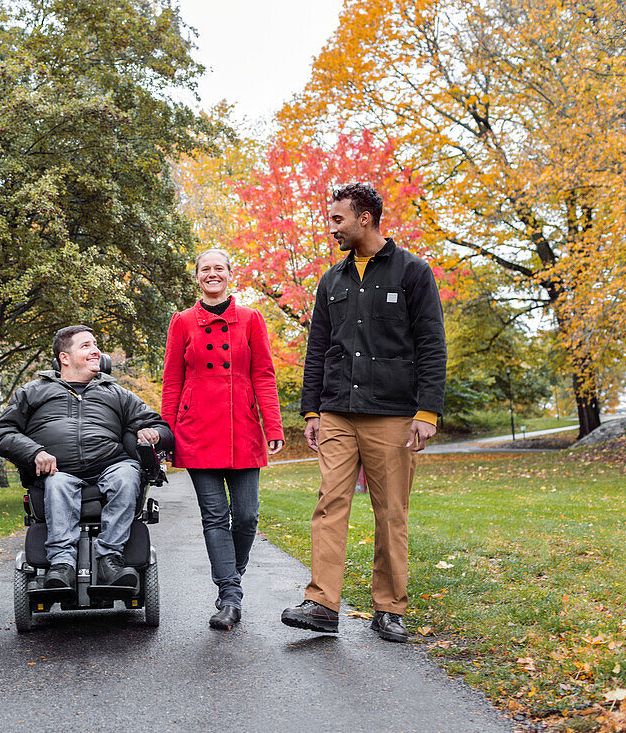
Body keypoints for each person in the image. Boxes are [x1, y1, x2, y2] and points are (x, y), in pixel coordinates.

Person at [281, 182, 446, 643]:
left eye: (337, 219)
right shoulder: (331, 280)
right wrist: (310, 409)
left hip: (393, 414)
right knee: (329, 505)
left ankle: (389, 608)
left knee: (391, 512)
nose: (330, 227)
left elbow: (433, 345)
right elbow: (318, 349)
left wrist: (427, 411)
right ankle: (321, 604)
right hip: (337, 412)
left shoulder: (413, 272)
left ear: (365, 218)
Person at [0, 326, 171, 591]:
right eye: (85, 346)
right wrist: (34, 452)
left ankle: (110, 559)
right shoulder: (33, 391)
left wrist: (154, 434)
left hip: (111, 464)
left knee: (127, 475)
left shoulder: (116, 393)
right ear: (64, 357)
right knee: (57, 484)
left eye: (96, 345)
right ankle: (62, 566)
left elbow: (161, 427)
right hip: (58, 469)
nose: (95, 351)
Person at [161, 249, 285, 630]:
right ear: (197, 277)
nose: (212, 274)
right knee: (215, 517)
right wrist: (166, 435)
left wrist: (274, 425)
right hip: (196, 430)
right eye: (205, 269)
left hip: (243, 428)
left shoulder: (251, 319)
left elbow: (263, 374)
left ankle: (233, 575)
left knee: (246, 516)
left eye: (219, 268)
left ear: (231, 275)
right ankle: (230, 594)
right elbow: (171, 381)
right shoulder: (182, 322)